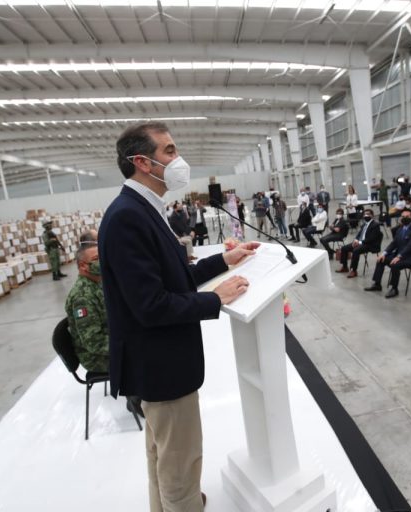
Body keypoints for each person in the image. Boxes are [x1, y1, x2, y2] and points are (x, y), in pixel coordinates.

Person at [99, 122, 259, 512]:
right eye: (169, 151)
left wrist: (222, 260)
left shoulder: (144, 210)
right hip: (160, 365)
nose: (178, 159)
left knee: (162, 454)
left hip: (159, 363)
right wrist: (214, 301)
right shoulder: (127, 217)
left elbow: (172, 279)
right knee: (181, 464)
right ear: (142, 162)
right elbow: (151, 305)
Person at [64, 244, 109, 372]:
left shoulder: (96, 284)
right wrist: (127, 345)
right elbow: (94, 343)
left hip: (108, 343)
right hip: (96, 358)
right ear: (83, 266)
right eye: (96, 259)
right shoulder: (82, 297)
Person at [364, 209, 411, 298]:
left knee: (395, 265)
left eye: (407, 217)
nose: (404, 218)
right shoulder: (400, 228)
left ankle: (394, 288)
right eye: (403, 216)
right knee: (381, 260)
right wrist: (384, 253)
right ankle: (377, 284)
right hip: (400, 254)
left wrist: (399, 256)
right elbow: (394, 243)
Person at [335, 208, 381, 278]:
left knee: (355, 251)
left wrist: (359, 242)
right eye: (365, 214)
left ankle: (353, 270)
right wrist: (356, 240)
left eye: (368, 214)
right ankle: (345, 267)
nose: (366, 215)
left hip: (370, 244)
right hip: (360, 242)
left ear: (372, 215)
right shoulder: (364, 224)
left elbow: (371, 238)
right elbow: (359, 234)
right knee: (344, 248)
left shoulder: (375, 225)